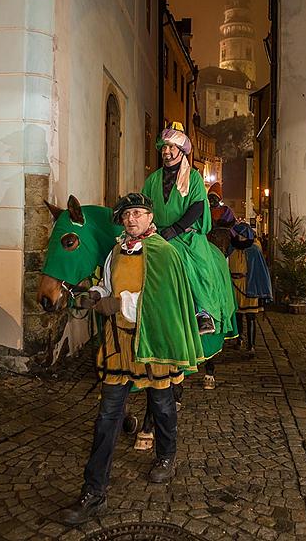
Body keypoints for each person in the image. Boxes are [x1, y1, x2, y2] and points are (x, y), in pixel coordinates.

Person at [61, 193, 204, 525]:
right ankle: (94, 493)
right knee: (107, 417)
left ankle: (166, 456)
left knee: (162, 403)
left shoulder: (164, 253)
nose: (131, 219)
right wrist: (92, 296)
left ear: (150, 218)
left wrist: (119, 303)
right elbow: (105, 285)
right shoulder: (115, 251)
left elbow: (160, 300)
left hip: (152, 343)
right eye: (127, 214)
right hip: (118, 345)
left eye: (138, 213)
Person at [142, 122, 236, 344]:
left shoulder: (193, 177)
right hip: (157, 232)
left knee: (196, 266)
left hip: (186, 234)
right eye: (163, 147)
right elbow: (146, 204)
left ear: (181, 151)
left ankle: (203, 312)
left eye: (171, 147)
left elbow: (196, 207)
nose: (166, 152)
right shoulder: (153, 179)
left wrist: (176, 229)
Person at [228, 222, 273, 354]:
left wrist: (262, 291)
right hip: (234, 286)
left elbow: (260, 271)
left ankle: (251, 345)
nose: (239, 238)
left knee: (250, 316)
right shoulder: (231, 248)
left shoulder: (254, 250)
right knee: (237, 316)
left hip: (249, 286)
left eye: (241, 235)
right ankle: (239, 338)